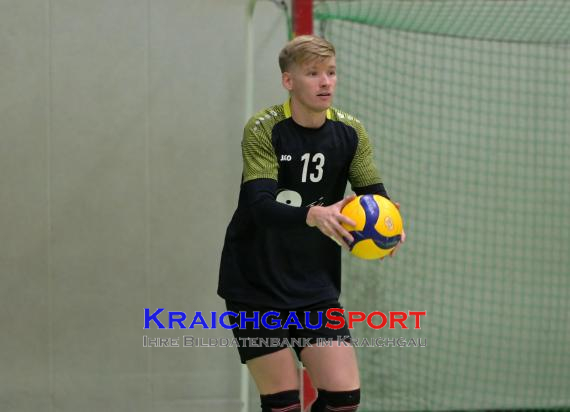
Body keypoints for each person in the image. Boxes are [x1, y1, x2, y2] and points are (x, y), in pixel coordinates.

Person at [218, 35, 405, 412]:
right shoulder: (264, 129)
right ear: (289, 81)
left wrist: (389, 224)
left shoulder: (351, 132)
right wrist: (312, 214)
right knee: (284, 403)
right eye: (314, 73)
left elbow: (374, 195)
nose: (326, 82)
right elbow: (258, 205)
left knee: (342, 399)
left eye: (331, 73)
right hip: (256, 281)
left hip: (313, 282)